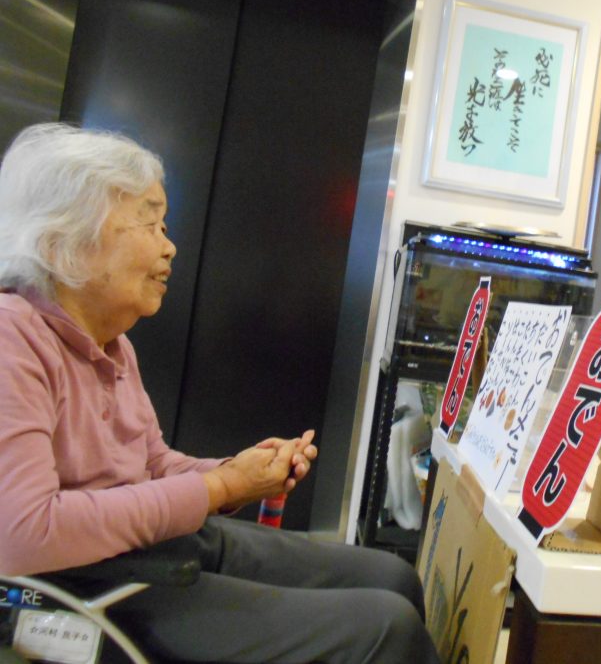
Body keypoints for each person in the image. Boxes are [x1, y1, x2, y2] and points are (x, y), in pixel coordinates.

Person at [0, 123, 440, 664]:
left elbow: (151, 464)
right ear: (63, 241)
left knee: (393, 576)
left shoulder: (113, 344)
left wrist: (238, 476)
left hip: (155, 547)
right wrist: (215, 488)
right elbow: (23, 533)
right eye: (149, 225)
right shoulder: (12, 338)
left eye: (164, 226)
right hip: (85, 589)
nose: (169, 247)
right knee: (387, 628)